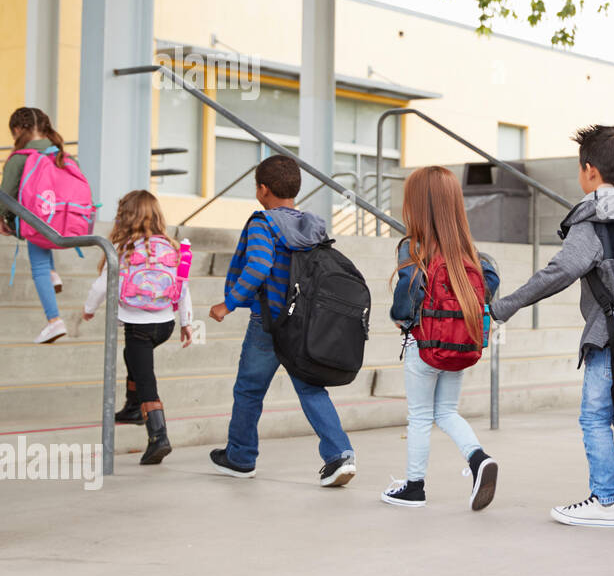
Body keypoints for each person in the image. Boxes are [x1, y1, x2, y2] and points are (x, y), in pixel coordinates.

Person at [490, 125, 614, 529]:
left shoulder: (594, 219)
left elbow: (561, 270)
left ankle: (605, 500)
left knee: (595, 417)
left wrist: (505, 306)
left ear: (590, 171)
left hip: (613, 339)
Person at [207, 155, 358, 487]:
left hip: (268, 324)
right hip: (304, 324)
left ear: (263, 190)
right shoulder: (313, 225)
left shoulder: (264, 224)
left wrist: (228, 304)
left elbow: (259, 265)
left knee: (248, 390)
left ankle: (241, 457)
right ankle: (340, 455)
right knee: (310, 387)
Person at [382, 166, 499, 510]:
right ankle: (478, 459)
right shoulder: (471, 254)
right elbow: (489, 285)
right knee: (446, 411)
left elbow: (405, 300)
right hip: (459, 344)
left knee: (419, 416)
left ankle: (414, 486)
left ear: (417, 205)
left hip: (424, 346)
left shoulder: (412, 248)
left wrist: (400, 319)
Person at [82, 190, 194, 465]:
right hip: (165, 322)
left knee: (146, 379)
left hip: (138, 326)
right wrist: (186, 322)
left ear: (125, 217)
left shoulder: (123, 249)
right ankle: (133, 407)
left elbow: (101, 286)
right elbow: (183, 287)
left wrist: (88, 309)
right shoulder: (173, 247)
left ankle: (159, 437)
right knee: (132, 357)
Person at [2, 106, 69, 343]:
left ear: (19, 130)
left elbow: (5, 195)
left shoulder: (20, 158)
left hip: (36, 222)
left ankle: (54, 320)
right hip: (64, 220)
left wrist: (2, 220)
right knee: (45, 238)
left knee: (37, 264)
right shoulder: (60, 154)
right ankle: (53, 274)